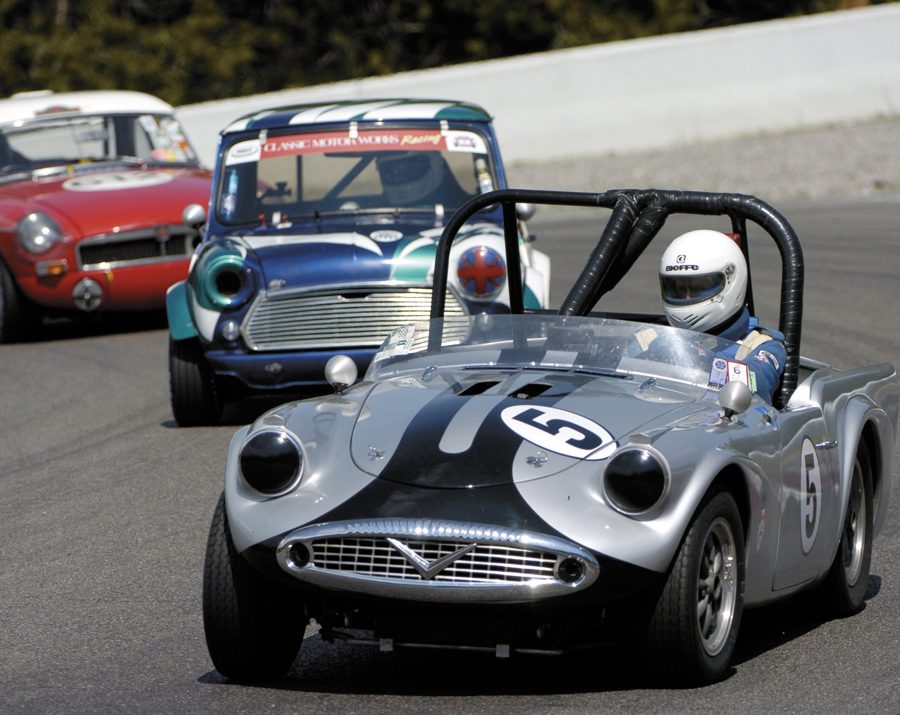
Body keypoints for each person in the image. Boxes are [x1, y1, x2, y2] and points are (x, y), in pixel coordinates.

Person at [650, 228, 786, 403]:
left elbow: (755, 383)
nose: (688, 297)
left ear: (730, 280)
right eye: (679, 289)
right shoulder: (654, 337)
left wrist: (693, 357)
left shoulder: (761, 345)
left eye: (698, 287)